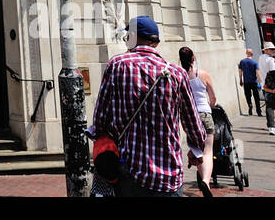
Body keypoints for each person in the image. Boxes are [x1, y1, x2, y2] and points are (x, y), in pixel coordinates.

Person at [89, 16, 207, 196]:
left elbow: (99, 120)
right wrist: (196, 148)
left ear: (133, 37)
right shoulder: (177, 73)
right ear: (156, 43)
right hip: (169, 175)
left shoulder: (117, 65)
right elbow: (193, 123)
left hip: (130, 171)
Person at [180, 47, 216, 196]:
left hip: (189, 117)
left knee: (197, 150)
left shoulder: (180, 76)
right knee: (208, 151)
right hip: (204, 114)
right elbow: (213, 97)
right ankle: (206, 181)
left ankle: (202, 177)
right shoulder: (202, 74)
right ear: (193, 58)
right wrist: (211, 106)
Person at [258, 42, 275, 134]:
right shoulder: (271, 60)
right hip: (272, 85)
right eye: (271, 49)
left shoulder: (261, 58)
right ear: (266, 50)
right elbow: (274, 73)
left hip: (264, 85)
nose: (273, 51)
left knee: (269, 106)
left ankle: (272, 125)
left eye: (274, 49)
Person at [238, 48, 261, 116]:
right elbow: (258, 73)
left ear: (246, 53)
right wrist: (259, 82)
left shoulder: (242, 62)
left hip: (246, 82)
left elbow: (240, 71)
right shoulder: (254, 63)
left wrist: (240, 80)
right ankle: (258, 111)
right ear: (252, 54)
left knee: (248, 95)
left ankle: (250, 105)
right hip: (254, 82)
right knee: (256, 97)